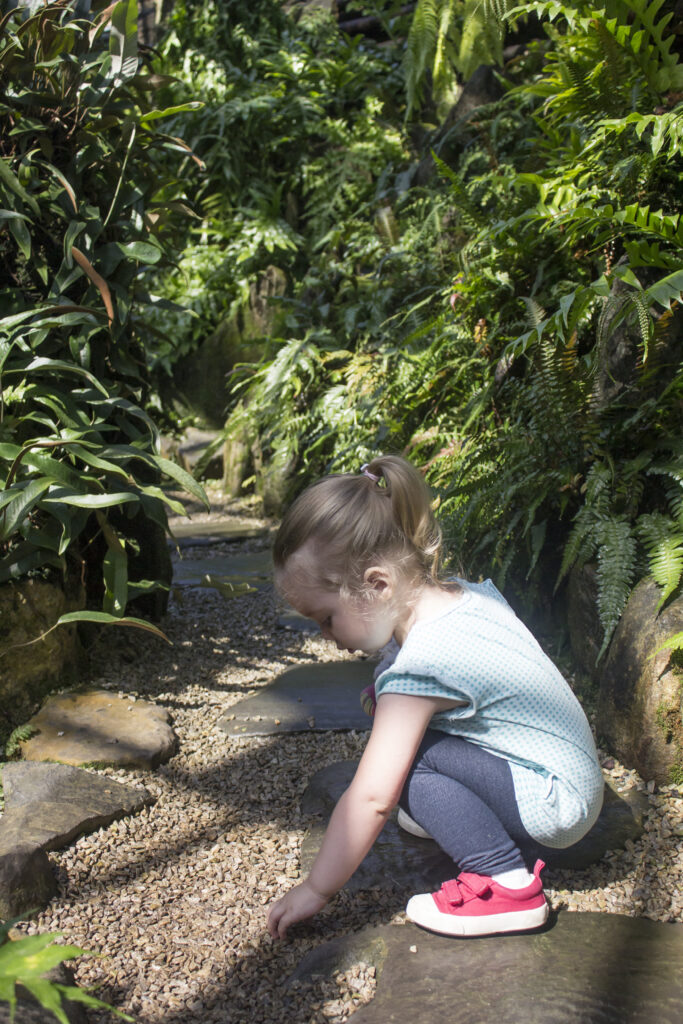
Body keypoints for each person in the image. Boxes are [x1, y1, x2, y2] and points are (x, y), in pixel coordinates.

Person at [265, 455, 603, 940]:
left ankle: (504, 884)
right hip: (570, 776)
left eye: (326, 618)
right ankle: (459, 815)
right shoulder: (465, 596)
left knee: (398, 765)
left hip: (553, 803)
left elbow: (372, 797)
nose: (325, 635)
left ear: (377, 585)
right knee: (402, 740)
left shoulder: (420, 667)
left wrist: (316, 888)